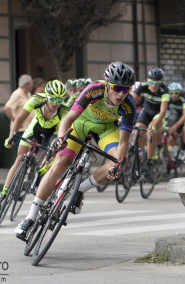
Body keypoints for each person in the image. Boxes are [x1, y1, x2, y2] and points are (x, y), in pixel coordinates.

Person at [15, 61, 136, 241]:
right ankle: (30, 217)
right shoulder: (94, 90)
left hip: (106, 129)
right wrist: (62, 138)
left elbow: (124, 141)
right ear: (107, 83)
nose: (120, 94)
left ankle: (79, 189)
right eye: (117, 88)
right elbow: (69, 117)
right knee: (60, 163)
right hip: (81, 123)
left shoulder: (128, 105)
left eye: (125, 90)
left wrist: (117, 163)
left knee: (120, 160)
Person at [0, 80, 70, 210]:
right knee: (19, 158)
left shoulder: (64, 111)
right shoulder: (35, 100)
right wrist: (11, 136)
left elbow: (63, 135)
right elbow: (19, 119)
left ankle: (41, 172)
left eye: (59, 100)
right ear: (46, 96)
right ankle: (4, 194)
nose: (55, 103)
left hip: (52, 133)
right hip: (35, 128)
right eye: (52, 99)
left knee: (54, 151)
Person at [134, 67, 169, 175]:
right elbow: (131, 101)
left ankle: (149, 161)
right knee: (136, 132)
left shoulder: (164, 90)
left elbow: (163, 111)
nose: (154, 85)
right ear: (147, 80)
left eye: (157, 82)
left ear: (161, 82)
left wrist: (154, 125)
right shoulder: (143, 86)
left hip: (158, 114)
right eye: (151, 82)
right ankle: (138, 155)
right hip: (146, 112)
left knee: (150, 130)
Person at [4, 74, 34, 152]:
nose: (32, 85)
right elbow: (7, 108)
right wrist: (15, 120)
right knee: (21, 153)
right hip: (20, 129)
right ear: (27, 84)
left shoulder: (28, 94)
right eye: (31, 83)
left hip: (28, 128)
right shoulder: (17, 94)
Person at [166, 82, 185, 149]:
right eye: (171, 93)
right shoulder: (169, 99)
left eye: (176, 92)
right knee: (171, 138)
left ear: (179, 92)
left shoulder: (184, 98)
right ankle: (170, 155)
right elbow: (165, 112)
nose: (174, 95)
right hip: (180, 115)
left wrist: (174, 127)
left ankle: (184, 148)